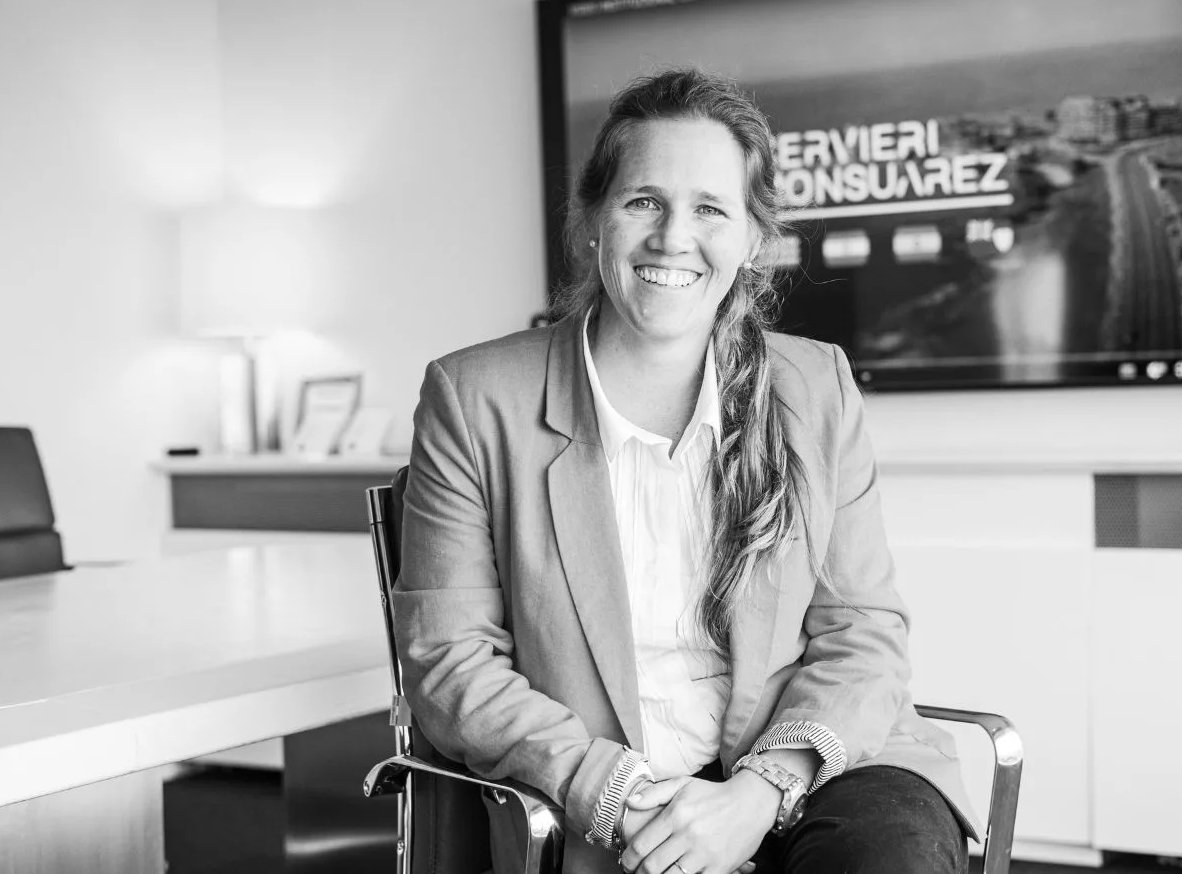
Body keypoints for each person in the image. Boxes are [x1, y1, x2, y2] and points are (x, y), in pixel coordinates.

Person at [393, 68, 978, 874]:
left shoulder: (815, 387)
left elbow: (863, 633)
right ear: (592, 222)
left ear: (751, 239)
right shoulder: (475, 397)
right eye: (643, 201)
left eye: (710, 208)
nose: (673, 237)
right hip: (602, 797)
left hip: (816, 767)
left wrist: (761, 792)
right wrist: (621, 796)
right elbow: (450, 661)